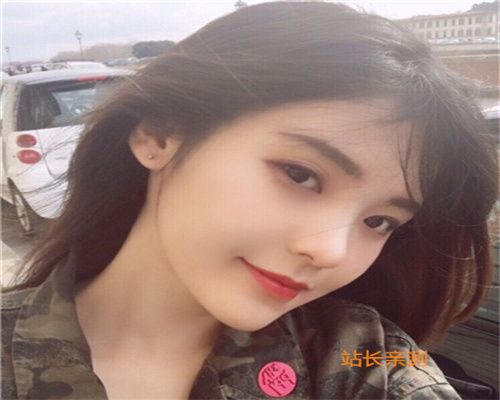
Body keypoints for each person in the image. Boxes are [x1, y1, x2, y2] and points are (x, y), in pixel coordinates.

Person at [2, 2, 498, 399]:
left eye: (380, 221)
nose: (330, 252)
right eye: (301, 175)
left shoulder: (365, 359)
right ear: (160, 135)